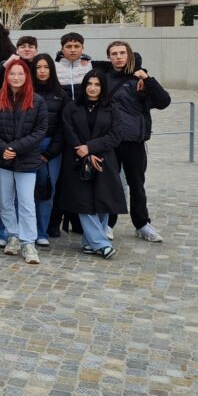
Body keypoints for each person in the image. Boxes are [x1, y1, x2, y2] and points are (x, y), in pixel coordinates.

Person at [0, 58, 48, 264]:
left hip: (26, 160)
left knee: (27, 202)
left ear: (27, 76)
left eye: (20, 73)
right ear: (6, 76)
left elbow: (40, 130)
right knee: (6, 200)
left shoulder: (37, 101)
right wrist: (3, 148)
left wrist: (15, 148)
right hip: (2, 159)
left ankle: (29, 242)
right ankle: (13, 235)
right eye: (12, 73)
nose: (16, 77)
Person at [104, 40, 170, 242]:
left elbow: (163, 102)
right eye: (114, 53)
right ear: (109, 57)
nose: (118, 56)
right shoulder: (103, 77)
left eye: (122, 52)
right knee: (110, 184)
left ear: (130, 55)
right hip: (110, 140)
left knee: (137, 185)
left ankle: (142, 224)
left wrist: (148, 79)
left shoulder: (141, 79)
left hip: (134, 140)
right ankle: (108, 223)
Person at [58, 70, 125, 259]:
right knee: (83, 203)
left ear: (102, 87)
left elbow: (115, 135)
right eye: (89, 84)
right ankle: (101, 243)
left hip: (104, 160)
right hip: (77, 160)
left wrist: (90, 148)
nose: (93, 88)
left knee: (104, 202)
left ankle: (89, 242)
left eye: (97, 84)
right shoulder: (72, 107)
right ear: (84, 85)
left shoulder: (112, 108)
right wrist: (84, 152)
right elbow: (68, 132)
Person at [31, 54, 65, 247]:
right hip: (29, 147)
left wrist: (50, 152)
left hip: (51, 148)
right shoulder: (25, 92)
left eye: (46, 67)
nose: (42, 71)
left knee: (46, 191)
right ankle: (27, 228)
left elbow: (63, 127)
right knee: (27, 192)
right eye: (38, 67)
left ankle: (41, 231)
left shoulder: (60, 94)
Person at [55, 32, 92, 102]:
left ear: (82, 48)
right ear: (62, 49)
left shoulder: (91, 65)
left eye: (77, 46)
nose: (73, 50)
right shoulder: (53, 67)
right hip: (61, 110)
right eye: (69, 46)